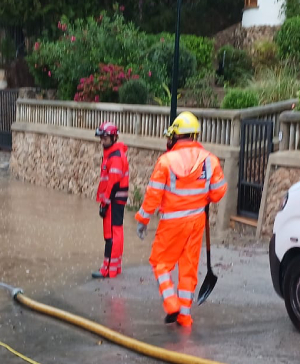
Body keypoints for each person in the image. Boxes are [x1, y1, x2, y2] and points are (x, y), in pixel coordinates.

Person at [134, 112, 227, 328]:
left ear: (176, 136)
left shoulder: (165, 161)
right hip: (197, 222)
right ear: (194, 135)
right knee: (188, 268)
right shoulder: (210, 160)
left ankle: (171, 303)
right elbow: (219, 192)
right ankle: (184, 316)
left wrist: (143, 220)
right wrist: (205, 196)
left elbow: (154, 194)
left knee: (160, 263)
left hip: (172, 223)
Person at [93, 121, 130, 279]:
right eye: (101, 138)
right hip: (116, 199)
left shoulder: (114, 156)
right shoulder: (113, 154)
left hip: (113, 200)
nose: (102, 141)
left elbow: (113, 183)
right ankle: (114, 266)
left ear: (114, 137)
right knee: (116, 231)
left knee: (111, 235)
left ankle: (108, 269)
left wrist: (105, 203)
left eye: (105, 138)